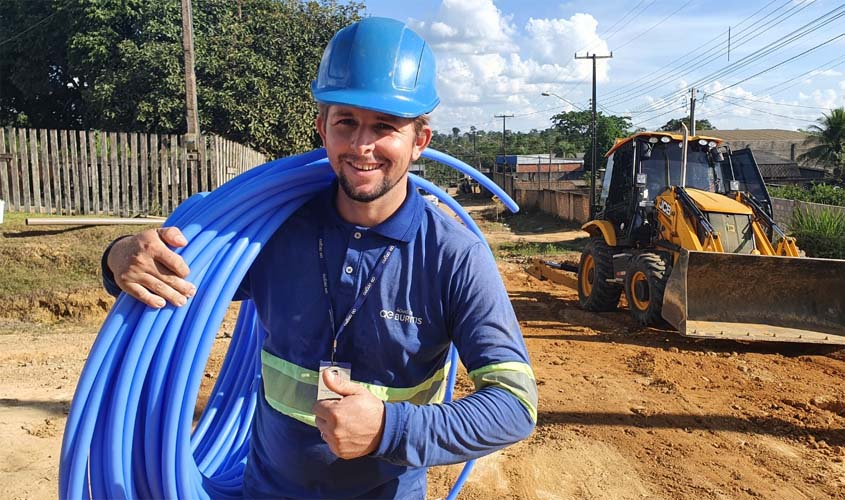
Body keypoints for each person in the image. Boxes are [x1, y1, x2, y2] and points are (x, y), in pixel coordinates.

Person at [102, 17, 536, 499]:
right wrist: (120, 255)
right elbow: (171, 275)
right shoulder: (271, 231)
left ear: (420, 142)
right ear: (322, 128)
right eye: (346, 121)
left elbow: (514, 405)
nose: (361, 146)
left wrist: (390, 428)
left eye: (385, 126)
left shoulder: (453, 256)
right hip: (268, 490)